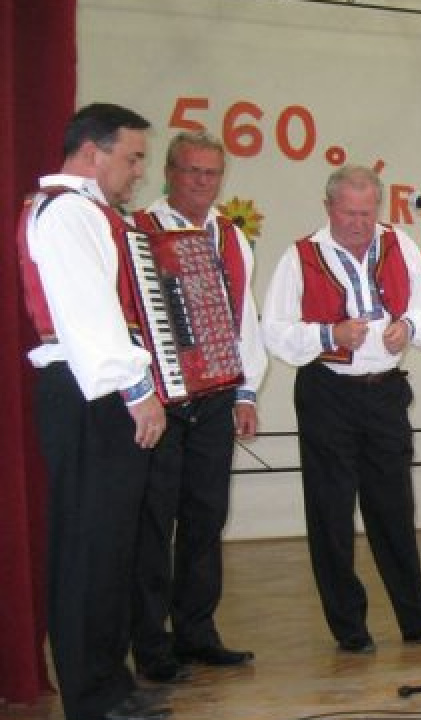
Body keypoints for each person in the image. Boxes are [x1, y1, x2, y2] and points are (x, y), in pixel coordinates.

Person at [260, 165, 421, 653]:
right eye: (349, 213)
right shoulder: (300, 255)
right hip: (327, 391)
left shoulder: (401, 244)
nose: (358, 222)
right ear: (328, 207)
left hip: (385, 392)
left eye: (367, 213)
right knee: (331, 512)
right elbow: (276, 331)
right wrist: (329, 334)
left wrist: (408, 328)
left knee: (394, 507)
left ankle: (418, 619)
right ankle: (349, 628)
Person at [17, 103, 172, 720]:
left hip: (94, 388)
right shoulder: (67, 213)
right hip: (87, 389)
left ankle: (112, 679)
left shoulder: (90, 214)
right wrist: (137, 392)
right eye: (133, 157)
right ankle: (92, 693)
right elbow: (90, 318)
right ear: (93, 151)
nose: (140, 171)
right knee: (88, 544)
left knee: (112, 544)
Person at [125, 131, 268, 682]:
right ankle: (151, 643)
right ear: (169, 172)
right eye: (192, 171)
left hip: (215, 398)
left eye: (211, 173)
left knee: (207, 518)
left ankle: (197, 632)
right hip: (162, 400)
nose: (202, 182)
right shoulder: (139, 231)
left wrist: (246, 391)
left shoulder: (232, 237)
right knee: (154, 523)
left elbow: (244, 322)